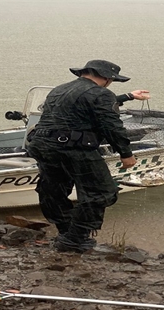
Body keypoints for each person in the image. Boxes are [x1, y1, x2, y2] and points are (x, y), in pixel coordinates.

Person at [26, 60, 150, 253]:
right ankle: (74, 240)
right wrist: (126, 153)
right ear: (107, 79)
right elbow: (111, 126)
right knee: (102, 193)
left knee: (53, 190)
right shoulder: (101, 93)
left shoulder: (59, 89)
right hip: (73, 148)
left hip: (42, 146)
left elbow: (84, 104)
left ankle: (66, 232)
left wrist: (128, 96)